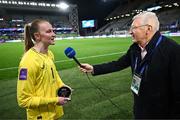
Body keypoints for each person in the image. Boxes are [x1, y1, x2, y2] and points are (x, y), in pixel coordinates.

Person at [79, 11, 180, 119]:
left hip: (161, 113)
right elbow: (118, 64)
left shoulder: (172, 50)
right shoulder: (135, 48)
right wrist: (94, 68)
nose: (130, 32)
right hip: (139, 109)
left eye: (134, 28)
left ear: (148, 29)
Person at [17, 19, 71, 120]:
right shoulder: (28, 62)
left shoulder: (49, 54)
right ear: (37, 36)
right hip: (40, 117)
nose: (54, 34)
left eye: (53, 31)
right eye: (49, 31)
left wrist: (62, 86)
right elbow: (24, 100)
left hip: (55, 114)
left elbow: (54, 76)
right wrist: (55, 100)